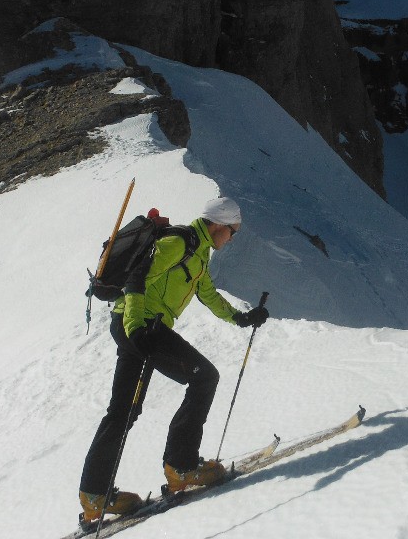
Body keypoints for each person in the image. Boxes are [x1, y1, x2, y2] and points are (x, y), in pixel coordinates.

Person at [78, 196, 269, 527]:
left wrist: (241, 318)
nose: (233, 238)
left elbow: (206, 292)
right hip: (141, 325)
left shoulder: (198, 251)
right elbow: (137, 277)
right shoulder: (179, 243)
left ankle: (95, 497)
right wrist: (137, 328)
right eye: (233, 232)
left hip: (136, 325)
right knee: (204, 377)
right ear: (219, 225)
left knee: (123, 410)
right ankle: (182, 466)